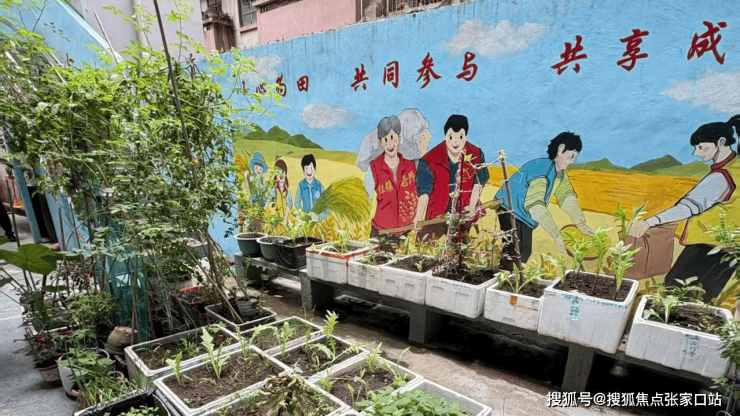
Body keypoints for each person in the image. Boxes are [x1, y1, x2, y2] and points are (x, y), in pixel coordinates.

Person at [629, 115, 740, 302]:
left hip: (708, 246)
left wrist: (648, 223)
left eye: (701, 147)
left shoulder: (722, 177)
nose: (696, 153)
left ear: (721, 142)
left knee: (676, 288)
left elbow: (687, 207)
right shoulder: (736, 168)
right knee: (705, 296)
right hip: (732, 248)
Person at [495, 132, 594, 270]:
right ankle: (505, 278)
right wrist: (557, 236)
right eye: (571, 156)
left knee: (522, 252)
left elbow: (567, 199)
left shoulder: (560, 175)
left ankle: (509, 277)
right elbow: (535, 208)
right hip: (510, 208)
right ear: (560, 149)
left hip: (524, 215)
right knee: (517, 252)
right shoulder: (542, 170)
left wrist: (581, 224)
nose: (572, 161)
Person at [413, 115, 488, 240]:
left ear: (466, 137)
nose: (455, 142)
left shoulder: (476, 154)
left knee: (462, 247)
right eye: (451, 137)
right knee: (424, 244)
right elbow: (424, 191)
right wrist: (419, 215)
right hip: (437, 216)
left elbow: (478, 182)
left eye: (460, 137)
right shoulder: (430, 160)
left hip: (463, 214)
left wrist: (472, 206)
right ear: (445, 136)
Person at [364, 115, 431, 237]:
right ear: (381, 144)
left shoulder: (412, 166)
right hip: (380, 232)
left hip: (408, 232)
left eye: (392, 137)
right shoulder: (373, 168)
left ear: (399, 139)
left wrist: (419, 216)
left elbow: (424, 190)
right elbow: (365, 198)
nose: (389, 144)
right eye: (385, 140)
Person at [295, 154, 329, 221]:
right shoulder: (301, 185)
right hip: (306, 221)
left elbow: (327, 205)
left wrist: (319, 217)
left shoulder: (319, 185)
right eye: (306, 168)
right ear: (303, 172)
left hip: (318, 221)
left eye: (311, 168)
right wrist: (303, 215)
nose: (309, 171)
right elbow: (296, 202)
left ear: (315, 170)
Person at [268, 159, 292, 224]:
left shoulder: (287, 190)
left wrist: (285, 219)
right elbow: (270, 202)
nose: (281, 175)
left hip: (286, 217)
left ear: (285, 174)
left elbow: (289, 204)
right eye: (278, 173)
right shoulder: (274, 189)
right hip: (275, 218)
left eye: (282, 172)